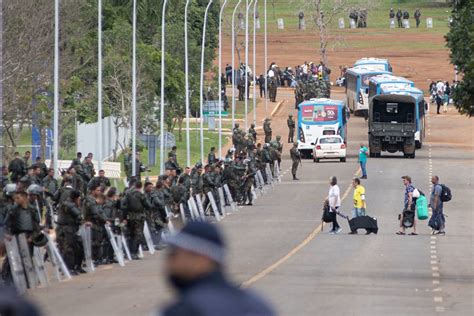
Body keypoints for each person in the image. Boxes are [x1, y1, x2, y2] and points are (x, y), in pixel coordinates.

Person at [160, 221, 275, 316]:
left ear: (202, 259)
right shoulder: (256, 305)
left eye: (174, 253)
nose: (169, 261)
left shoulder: (183, 311)